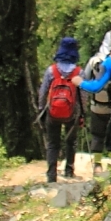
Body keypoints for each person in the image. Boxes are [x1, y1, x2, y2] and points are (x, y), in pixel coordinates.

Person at [37, 37, 82, 182]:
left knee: (52, 143)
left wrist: (41, 109)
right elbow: (84, 94)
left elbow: (43, 92)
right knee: (71, 141)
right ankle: (69, 170)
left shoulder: (51, 70)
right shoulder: (78, 72)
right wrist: (82, 112)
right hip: (72, 112)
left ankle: (51, 175)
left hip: (53, 113)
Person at [82, 30, 111, 165]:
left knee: (97, 136)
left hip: (97, 106)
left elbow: (85, 80)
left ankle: (97, 165)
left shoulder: (93, 61)